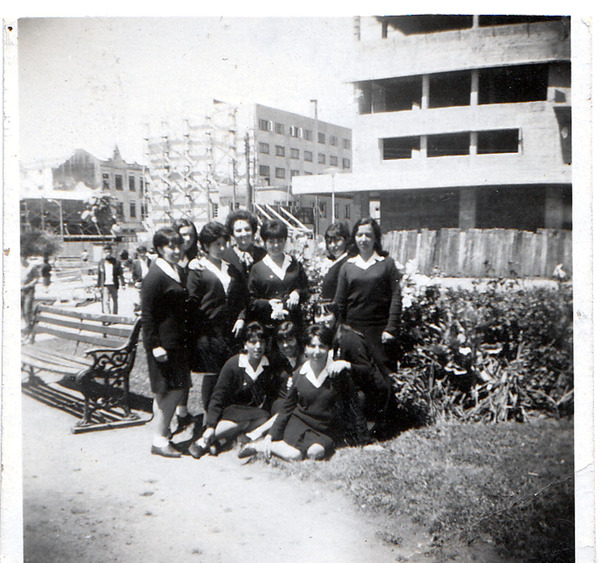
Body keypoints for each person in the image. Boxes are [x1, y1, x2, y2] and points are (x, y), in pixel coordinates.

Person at [264, 324, 367, 462]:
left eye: (322, 346)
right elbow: (287, 408)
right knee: (294, 456)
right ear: (305, 348)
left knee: (315, 452)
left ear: (329, 348)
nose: (316, 352)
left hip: (325, 429)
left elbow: (354, 407)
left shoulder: (338, 374)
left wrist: (366, 441)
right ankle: (264, 445)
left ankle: (274, 446)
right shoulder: (299, 374)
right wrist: (270, 435)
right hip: (298, 424)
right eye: (312, 346)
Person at [188, 322, 279, 459]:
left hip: (252, 412)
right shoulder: (234, 364)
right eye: (253, 342)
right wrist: (211, 425)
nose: (258, 346)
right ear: (245, 345)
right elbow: (218, 396)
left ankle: (221, 441)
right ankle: (203, 441)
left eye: (261, 342)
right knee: (243, 421)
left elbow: (271, 396)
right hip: (230, 411)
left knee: (263, 419)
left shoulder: (268, 365)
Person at [187, 221, 249, 416]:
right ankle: (209, 417)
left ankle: (225, 415)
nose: (222, 248)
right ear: (205, 246)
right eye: (216, 244)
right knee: (212, 375)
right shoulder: (197, 270)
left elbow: (243, 299)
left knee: (228, 374)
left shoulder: (231, 269)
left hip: (230, 332)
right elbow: (191, 303)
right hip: (209, 334)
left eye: (224, 243)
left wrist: (241, 318)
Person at [141, 227, 191, 458]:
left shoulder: (175, 270)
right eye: (171, 246)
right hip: (164, 344)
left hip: (176, 341)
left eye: (179, 245)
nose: (177, 250)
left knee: (165, 392)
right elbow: (147, 315)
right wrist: (154, 346)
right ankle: (160, 441)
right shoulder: (155, 275)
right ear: (160, 248)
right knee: (174, 389)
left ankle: (162, 434)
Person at [314, 302, 392, 438]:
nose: (322, 319)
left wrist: (346, 364)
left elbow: (367, 370)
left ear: (336, 316)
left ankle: (369, 426)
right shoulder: (326, 336)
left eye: (326, 314)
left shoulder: (349, 337)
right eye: (318, 314)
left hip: (369, 394)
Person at [334, 217, 402, 375]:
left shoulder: (387, 264)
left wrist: (391, 329)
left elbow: (396, 298)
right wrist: (339, 332)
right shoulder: (347, 267)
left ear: (376, 238)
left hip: (380, 333)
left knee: (382, 379)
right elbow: (339, 304)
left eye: (368, 235)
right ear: (354, 238)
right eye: (359, 235)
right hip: (352, 331)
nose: (363, 239)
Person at [247, 219, 309, 333]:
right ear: (264, 242)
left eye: (280, 241)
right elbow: (251, 301)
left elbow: (306, 289)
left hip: (294, 327)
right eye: (271, 241)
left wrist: (297, 293)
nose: (276, 245)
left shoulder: (295, 264)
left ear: (285, 241)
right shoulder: (257, 268)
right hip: (268, 328)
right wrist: (268, 303)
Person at [170, 218, 200, 431]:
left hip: (191, 320)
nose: (187, 239)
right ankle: (172, 415)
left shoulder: (197, 258)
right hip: (174, 321)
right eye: (183, 234)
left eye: (191, 234)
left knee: (186, 367)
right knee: (175, 368)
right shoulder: (170, 258)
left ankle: (182, 412)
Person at [223, 209, 267, 281]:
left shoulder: (263, 254)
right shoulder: (225, 256)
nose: (244, 234)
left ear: (253, 231)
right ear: (232, 233)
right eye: (238, 231)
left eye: (247, 229)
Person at [321, 221, 351, 301]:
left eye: (337, 240)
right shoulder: (335, 262)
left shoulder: (347, 263)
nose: (333, 245)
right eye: (329, 242)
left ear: (346, 240)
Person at [97, 244, 125, 315]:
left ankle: (114, 316)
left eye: (109, 252)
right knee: (106, 301)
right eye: (106, 252)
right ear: (104, 253)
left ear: (111, 252)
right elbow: (100, 275)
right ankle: (107, 317)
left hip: (114, 284)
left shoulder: (116, 262)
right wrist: (98, 285)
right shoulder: (101, 262)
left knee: (115, 300)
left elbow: (120, 273)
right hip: (105, 285)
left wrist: (123, 283)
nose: (108, 253)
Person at [21, 255, 39, 331]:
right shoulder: (16, 266)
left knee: (27, 308)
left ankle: (29, 326)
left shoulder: (32, 267)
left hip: (29, 291)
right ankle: (26, 324)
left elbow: (36, 278)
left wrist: (29, 285)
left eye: (22, 257)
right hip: (20, 290)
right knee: (21, 309)